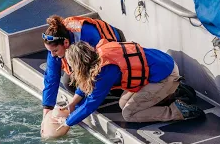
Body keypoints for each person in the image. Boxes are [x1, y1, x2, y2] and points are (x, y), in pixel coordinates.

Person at [56, 39, 205, 129]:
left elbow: (91, 104)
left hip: (164, 76)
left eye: (71, 64)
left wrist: (68, 122)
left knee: (129, 114)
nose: (71, 68)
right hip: (163, 64)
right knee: (123, 103)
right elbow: (87, 85)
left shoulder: (105, 71)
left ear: (80, 64)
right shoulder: (99, 54)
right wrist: (73, 103)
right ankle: (173, 92)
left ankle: (179, 111)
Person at [41, 15, 123, 118]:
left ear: (66, 43)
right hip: (83, 59)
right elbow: (51, 77)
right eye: (50, 51)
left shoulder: (88, 37)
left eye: (55, 51)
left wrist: (75, 112)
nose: (52, 55)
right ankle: (85, 103)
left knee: (97, 81)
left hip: (105, 61)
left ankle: (98, 98)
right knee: (68, 82)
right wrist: (47, 110)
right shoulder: (55, 45)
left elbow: (94, 70)